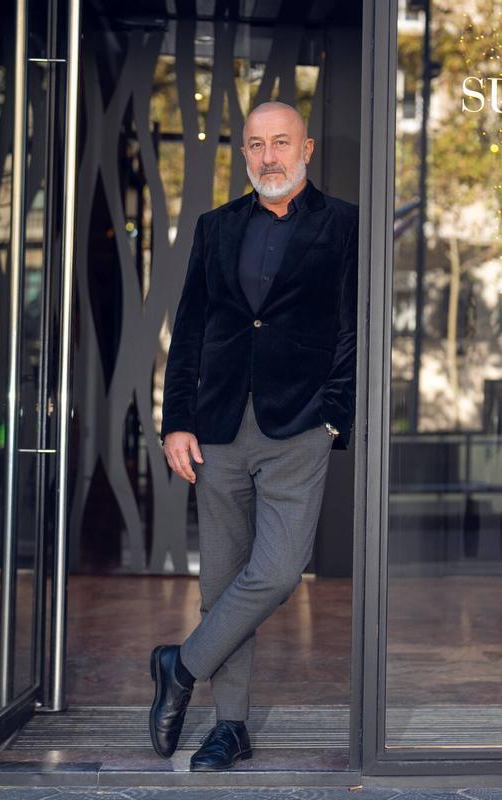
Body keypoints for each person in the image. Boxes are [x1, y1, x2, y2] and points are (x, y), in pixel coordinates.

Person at [150, 101, 358, 770]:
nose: (268, 156)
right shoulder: (215, 228)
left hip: (297, 426)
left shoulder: (345, 226)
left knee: (274, 571)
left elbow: (354, 331)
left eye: (281, 142)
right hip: (216, 429)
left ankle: (180, 666)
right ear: (245, 154)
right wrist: (177, 420)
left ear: (308, 148)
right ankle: (230, 726)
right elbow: (190, 330)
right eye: (255, 145)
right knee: (221, 580)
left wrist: (334, 415)